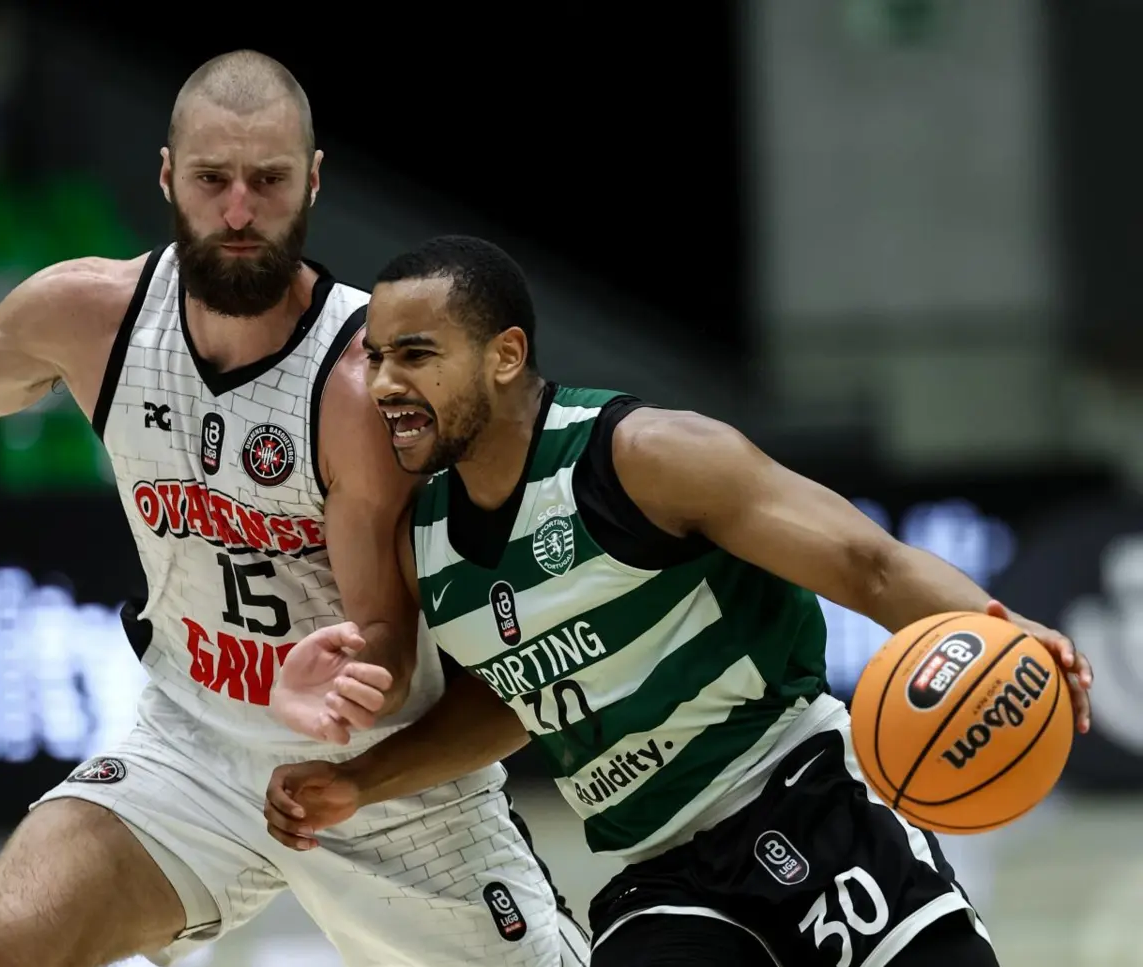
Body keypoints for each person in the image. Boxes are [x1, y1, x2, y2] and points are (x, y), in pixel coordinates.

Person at [262, 234, 1095, 967]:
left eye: (415, 354)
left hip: (803, 795)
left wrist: (1006, 629)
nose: (383, 383)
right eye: (375, 358)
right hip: (659, 873)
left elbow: (866, 563)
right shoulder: (425, 538)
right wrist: (360, 780)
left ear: (505, 355)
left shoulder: (646, 456)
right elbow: (521, 700)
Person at [0, 58, 588, 967]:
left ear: (312, 180)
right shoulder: (89, 318)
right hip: (193, 744)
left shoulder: (364, 382)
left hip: (374, 776)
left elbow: (391, 651)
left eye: (269, 180)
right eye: (213, 179)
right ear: (168, 175)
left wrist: (338, 683)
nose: (239, 210)